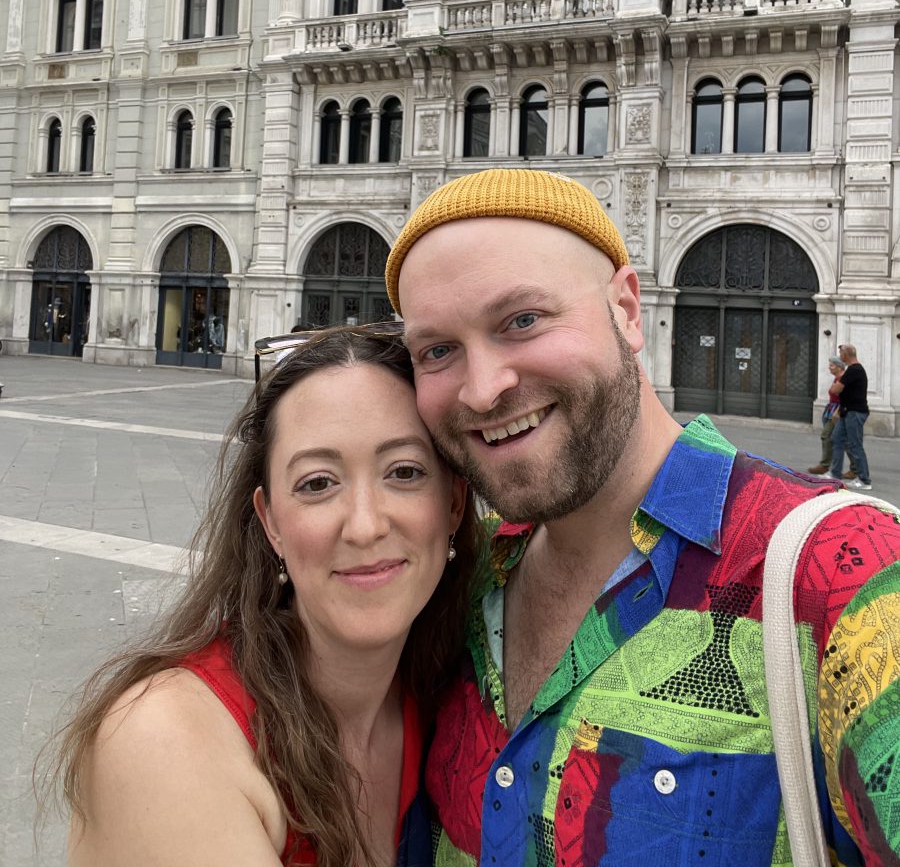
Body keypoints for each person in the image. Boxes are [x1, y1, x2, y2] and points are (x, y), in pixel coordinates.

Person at [384, 168, 900, 866]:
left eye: (523, 321)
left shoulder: (848, 573)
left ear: (627, 310)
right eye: (438, 351)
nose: (481, 390)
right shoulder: (460, 581)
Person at [43, 328, 479, 867]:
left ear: (453, 504)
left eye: (404, 472)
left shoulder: (449, 703)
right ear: (271, 522)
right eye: (317, 483)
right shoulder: (167, 741)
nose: (365, 526)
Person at [830, 342, 872, 491]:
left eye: (841, 353)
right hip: (846, 411)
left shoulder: (854, 370)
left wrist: (837, 386)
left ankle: (864, 480)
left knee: (855, 445)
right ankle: (835, 474)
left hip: (855, 413)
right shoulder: (851, 370)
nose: (840, 356)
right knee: (836, 438)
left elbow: (835, 389)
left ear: (846, 354)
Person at [809, 354, 854, 475]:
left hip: (837, 412)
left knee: (828, 435)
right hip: (832, 410)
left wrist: (838, 411)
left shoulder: (842, 379)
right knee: (842, 440)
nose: (829, 367)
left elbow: (845, 397)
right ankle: (855, 468)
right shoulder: (837, 378)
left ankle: (825, 465)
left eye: (832, 365)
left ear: (839, 367)